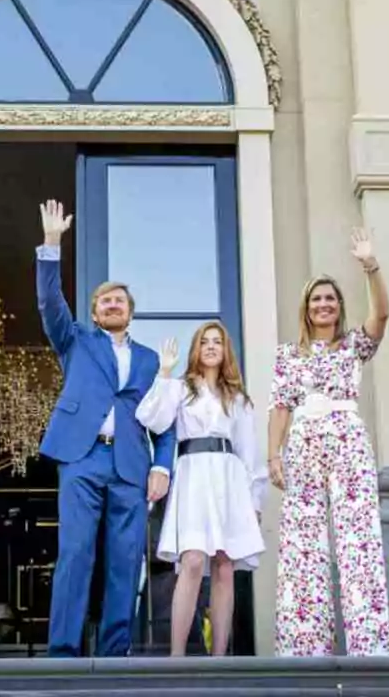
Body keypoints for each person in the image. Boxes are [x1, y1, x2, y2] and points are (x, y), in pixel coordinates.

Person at [35, 199, 177, 658]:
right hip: (81, 457)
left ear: (130, 312)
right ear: (94, 313)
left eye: (119, 300)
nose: (112, 304)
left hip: (131, 465)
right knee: (75, 553)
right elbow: (49, 301)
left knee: (125, 560)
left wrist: (163, 467)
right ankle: (62, 651)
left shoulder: (152, 360)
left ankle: (117, 654)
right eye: (104, 300)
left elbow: (167, 418)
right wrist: (52, 243)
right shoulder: (74, 340)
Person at [268, 228, 389, 657]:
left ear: (339, 308)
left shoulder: (353, 345)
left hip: (348, 440)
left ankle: (368, 646)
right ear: (306, 308)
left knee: (358, 540)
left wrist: (370, 266)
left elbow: (382, 316)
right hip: (303, 444)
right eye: (316, 299)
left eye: (331, 299)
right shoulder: (289, 355)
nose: (324, 304)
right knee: (303, 542)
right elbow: (280, 405)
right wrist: (273, 454)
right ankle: (306, 647)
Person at [136, 321, 266, 656]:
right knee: (193, 560)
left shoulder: (237, 397)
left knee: (224, 564)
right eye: (204, 342)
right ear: (196, 349)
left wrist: (255, 501)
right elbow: (152, 418)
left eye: (217, 342)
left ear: (225, 350)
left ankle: (219, 657)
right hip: (193, 474)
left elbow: (249, 452)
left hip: (229, 479)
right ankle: (177, 657)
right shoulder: (181, 388)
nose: (210, 347)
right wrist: (165, 374)